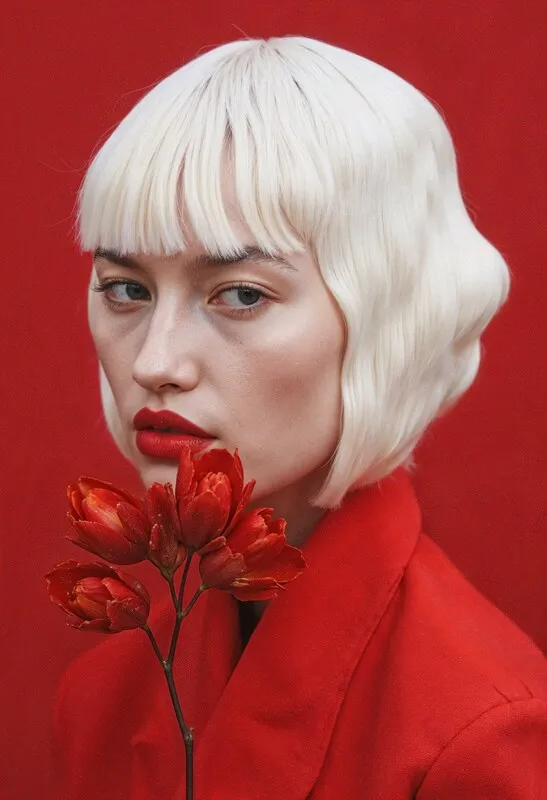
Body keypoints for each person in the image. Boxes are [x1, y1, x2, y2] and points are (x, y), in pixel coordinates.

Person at [53, 35, 547, 799]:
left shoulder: (477, 740)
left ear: (389, 316)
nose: (154, 362)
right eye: (126, 288)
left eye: (241, 294)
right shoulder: (100, 699)